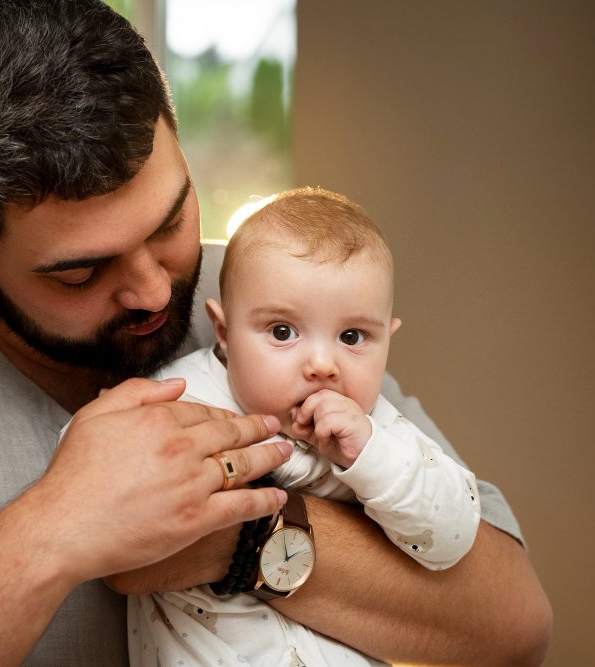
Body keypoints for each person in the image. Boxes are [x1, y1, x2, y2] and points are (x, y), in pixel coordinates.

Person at [0, 1, 551, 665]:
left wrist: (238, 539)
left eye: (172, 219)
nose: (153, 286)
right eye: (79, 270)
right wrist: (55, 531)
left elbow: (514, 621)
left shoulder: (265, 307)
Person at [130, 187, 482, 666]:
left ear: (388, 339)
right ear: (225, 332)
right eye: (282, 332)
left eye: (353, 337)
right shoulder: (181, 394)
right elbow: (94, 469)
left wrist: (372, 458)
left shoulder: (379, 428)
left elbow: (452, 538)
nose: (322, 364)